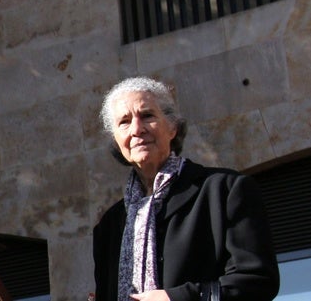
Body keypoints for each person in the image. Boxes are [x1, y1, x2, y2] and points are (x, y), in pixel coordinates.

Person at [93, 76, 279, 301]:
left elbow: (258, 281)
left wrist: (177, 298)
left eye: (147, 116)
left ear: (172, 128)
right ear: (116, 141)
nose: (137, 129)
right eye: (124, 122)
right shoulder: (110, 225)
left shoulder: (225, 191)